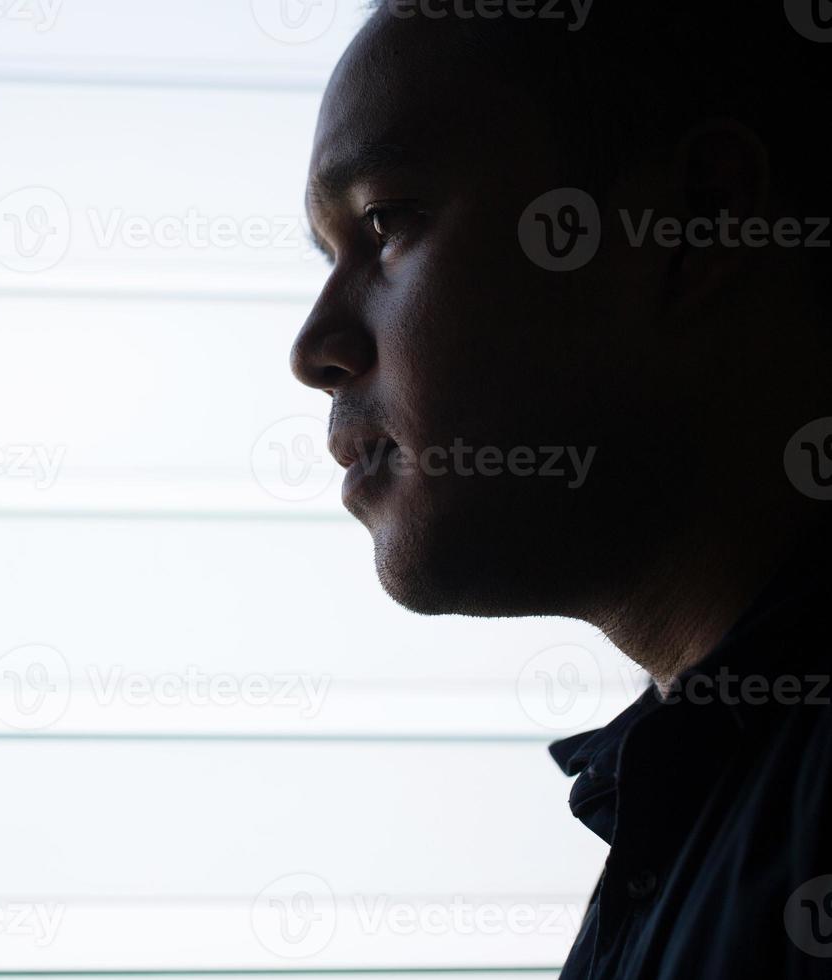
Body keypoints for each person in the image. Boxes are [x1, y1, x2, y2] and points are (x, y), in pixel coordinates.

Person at [289, 3, 832, 976]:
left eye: (386, 222)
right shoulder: (693, 818)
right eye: (330, 257)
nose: (314, 349)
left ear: (697, 219)